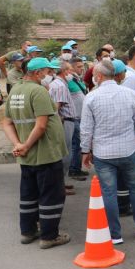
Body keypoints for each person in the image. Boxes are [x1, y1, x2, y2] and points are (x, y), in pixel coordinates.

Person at [2, 57, 71, 249]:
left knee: (29, 195)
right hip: (45, 154)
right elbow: (41, 126)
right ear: (37, 72)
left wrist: (18, 144)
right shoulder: (38, 91)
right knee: (51, 195)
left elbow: (6, 122)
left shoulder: (16, 89)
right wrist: (26, 145)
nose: (49, 75)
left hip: (27, 157)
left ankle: (28, 231)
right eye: (47, 72)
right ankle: (50, 236)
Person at [81, 60, 135, 245]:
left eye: (95, 74)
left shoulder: (91, 97)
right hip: (128, 150)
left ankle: (115, 234)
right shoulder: (130, 95)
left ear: (100, 76)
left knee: (109, 193)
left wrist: (85, 150)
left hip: (103, 154)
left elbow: (86, 128)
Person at [47, 61, 83, 190]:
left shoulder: (61, 84)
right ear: (65, 71)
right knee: (65, 154)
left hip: (67, 121)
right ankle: (58, 185)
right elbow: (56, 108)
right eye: (70, 70)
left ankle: (60, 182)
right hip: (65, 121)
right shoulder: (59, 86)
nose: (71, 73)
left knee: (66, 152)